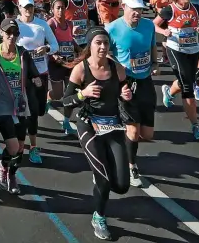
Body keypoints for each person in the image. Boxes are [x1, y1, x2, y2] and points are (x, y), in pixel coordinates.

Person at [63, 27, 132, 241]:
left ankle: (100, 179)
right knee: (103, 180)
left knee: (121, 185)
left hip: (113, 125)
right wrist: (82, 94)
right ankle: (99, 217)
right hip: (89, 125)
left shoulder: (117, 68)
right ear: (90, 46)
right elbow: (65, 101)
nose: (102, 47)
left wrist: (126, 95)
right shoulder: (81, 70)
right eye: (98, 43)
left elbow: (125, 91)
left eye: (105, 43)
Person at [0, 18, 42, 194]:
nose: (12, 36)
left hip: (21, 103)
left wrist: (35, 79)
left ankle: (12, 174)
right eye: (8, 33)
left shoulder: (23, 54)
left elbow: (33, 73)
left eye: (15, 33)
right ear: (1, 33)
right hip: (3, 103)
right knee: (13, 146)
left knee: (21, 146)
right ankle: (1, 165)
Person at [106, 0, 158, 187]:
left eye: (140, 10)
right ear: (123, 7)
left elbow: (152, 46)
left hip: (145, 81)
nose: (137, 13)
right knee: (133, 131)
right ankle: (131, 166)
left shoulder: (148, 26)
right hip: (125, 81)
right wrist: (117, 71)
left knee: (148, 134)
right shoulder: (112, 28)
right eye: (133, 9)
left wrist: (154, 62)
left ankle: (124, 141)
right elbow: (104, 51)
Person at [153, 0, 199, 141]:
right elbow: (154, 24)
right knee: (188, 86)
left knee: (187, 79)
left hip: (193, 48)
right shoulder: (169, 10)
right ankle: (196, 126)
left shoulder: (196, 8)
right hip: (175, 49)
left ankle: (168, 92)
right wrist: (164, 32)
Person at [16, 0, 58, 163]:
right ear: (19, 7)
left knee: (39, 110)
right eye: (25, 7)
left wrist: (46, 48)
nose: (28, 10)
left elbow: (55, 45)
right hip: (24, 76)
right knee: (30, 113)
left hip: (41, 72)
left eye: (30, 7)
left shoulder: (41, 25)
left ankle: (27, 140)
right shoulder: (15, 25)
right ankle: (31, 147)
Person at [46, 0, 80, 135]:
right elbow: (47, 44)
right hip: (56, 64)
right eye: (58, 8)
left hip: (69, 63)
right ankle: (47, 97)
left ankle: (66, 122)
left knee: (69, 94)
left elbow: (71, 41)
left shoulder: (70, 24)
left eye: (62, 8)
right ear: (53, 10)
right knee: (58, 94)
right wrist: (55, 56)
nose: (60, 10)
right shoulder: (51, 24)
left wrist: (82, 51)